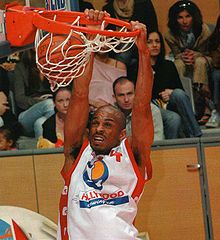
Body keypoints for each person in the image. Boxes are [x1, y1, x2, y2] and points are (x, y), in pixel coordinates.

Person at [57, 9, 154, 239]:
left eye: (108, 124)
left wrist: (143, 52)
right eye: (96, 123)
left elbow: (142, 108)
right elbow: (80, 94)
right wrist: (90, 40)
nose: (99, 128)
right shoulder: (75, 154)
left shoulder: (134, 158)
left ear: (122, 134)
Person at [165, 0, 212, 124]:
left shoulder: (203, 30)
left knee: (200, 62)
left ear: (193, 17)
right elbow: (176, 54)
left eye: (188, 16)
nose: (184, 21)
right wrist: (184, 56)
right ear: (175, 19)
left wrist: (196, 55)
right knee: (178, 64)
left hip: (205, 59)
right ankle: (187, 105)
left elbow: (210, 53)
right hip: (183, 59)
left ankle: (206, 104)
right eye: (180, 17)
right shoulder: (170, 35)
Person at [149, 30, 202, 138]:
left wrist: (171, 92)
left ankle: (196, 135)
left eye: (157, 41)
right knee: (174, 118)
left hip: (170, 103)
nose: (154, 45)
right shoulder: (137, 67)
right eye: (149, 42)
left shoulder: (168, 65)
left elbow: (180, 90)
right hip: (151, 107)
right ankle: (170, 147)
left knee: (178, 93)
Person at [102, 0, 158, 82]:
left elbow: (152, 27)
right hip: (115, 44)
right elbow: (107, 33)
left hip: (138, 42)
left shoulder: (143, 3)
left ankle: (118, 81)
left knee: (127, 44)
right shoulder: (108, 8)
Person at [9, 49, 54, 138]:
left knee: (40, 123)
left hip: (51, 108)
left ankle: (49, 149)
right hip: (27, 114)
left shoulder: (52, 67)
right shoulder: (21, 68)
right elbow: (20, 99)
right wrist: (39, 102)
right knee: (49, 104)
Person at [113, 76, 164, 141]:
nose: (126, 99)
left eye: (129, 94)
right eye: (121, 95)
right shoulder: (111, 114)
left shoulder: (150, 110)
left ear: (136, 93)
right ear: (114, 97)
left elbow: (157, 140)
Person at [205, 15, 220, 128]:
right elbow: (215, 63)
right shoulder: (215, 41)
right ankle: (216, 110)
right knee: (216, 75)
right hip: (218, 70)